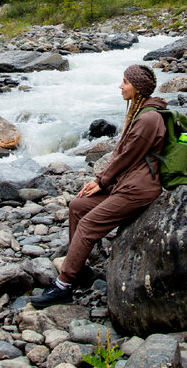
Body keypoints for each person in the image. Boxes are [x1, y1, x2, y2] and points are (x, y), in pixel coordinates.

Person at [31, 63, 167, 307]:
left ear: (137, 88)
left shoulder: (148, 119)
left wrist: (101, 181)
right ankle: (80, 270)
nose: (120, 86)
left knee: (89, 224)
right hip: (127, 183)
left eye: (125, 82)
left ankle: (64, 285)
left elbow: (127, 158)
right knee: (78, 205)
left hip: (138, 189)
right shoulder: (140, 113)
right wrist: (100, 182)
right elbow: (120, 154)